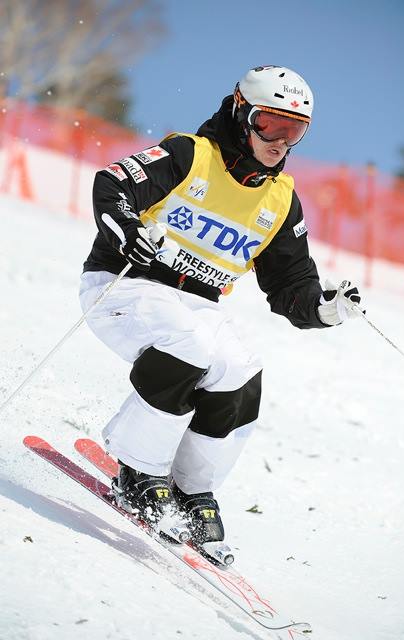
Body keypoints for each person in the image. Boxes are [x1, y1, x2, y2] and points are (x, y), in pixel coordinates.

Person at [79, 65, 363, 561]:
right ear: (240, 111)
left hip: (197, 303)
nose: (280, 141)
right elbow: (113, 183)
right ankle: (138, 471)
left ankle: (191, 490)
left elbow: (291, 285)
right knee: (191, 346)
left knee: (240, 369)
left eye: (294, 131)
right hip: (126, 285)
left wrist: (325, 310)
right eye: (270, 124)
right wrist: (127, 232)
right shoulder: (191, 154)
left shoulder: (279, 200)